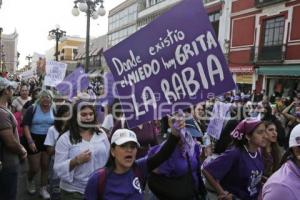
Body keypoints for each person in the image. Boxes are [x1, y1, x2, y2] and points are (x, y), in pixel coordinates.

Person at [84, 115, 184, 200]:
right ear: (113, 151)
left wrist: (174, 134)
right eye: (123, 146)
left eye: (133, 146)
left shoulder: (139, 168)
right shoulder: (97, 179)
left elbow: (162, 155)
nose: (129, 150)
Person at [54, 99, 110, 200]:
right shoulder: (65, 138)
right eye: (83, 114)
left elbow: (109, 157)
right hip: (74, 192)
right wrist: (75, 161)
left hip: (99, 188)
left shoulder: (101, 133)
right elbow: (58, 169)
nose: (88, 117)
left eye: (90, 114)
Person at [202, 119, 267, 200]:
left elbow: (253, 174)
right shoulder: (235, 153)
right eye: (260, 132)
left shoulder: (258, 151)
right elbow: (207, 171)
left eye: (265, 131)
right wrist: (222, 193)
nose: (265, 136)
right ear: (248, 136)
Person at [147, 118, 206, 200]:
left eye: (193, 136)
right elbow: (156, 178)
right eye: (187, 135)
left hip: (194, 193)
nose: (191, 138)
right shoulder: (167, 151)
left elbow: (196, 168)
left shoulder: (193, 145)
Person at [22, 90, 55, 199]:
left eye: (48, 97)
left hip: (48, 140)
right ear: (39, 98)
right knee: (35, 168)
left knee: (45, 166)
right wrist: (30, 141)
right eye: (44, 97)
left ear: (51, 98)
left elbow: (58, 124)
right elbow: (25, 125)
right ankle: (30, 179)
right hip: (34, 139)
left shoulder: (54, 109)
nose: (46, 99)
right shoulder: (33, 108)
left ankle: (43, 189)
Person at [0, 77, 27, 200]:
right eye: (11, 88)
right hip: (7, 163)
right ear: (6, 90)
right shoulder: (2, 113)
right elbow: (10, 142)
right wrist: (22, 151)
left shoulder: (4, 110)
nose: (13, 91)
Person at [262, 124, 300, 200]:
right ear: (297, 151)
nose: (274, 133)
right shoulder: (280, 189)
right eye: (270, 130)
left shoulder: (276, 151)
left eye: (275, 130)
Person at [44, 104, 71, 200]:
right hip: (56, 162)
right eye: (65, 116)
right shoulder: (52, 130)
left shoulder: (74, 130)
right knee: (55, 188)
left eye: (69, 116)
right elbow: (49, 151)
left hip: (70, 165)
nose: (67, 119)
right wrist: (61, 143)